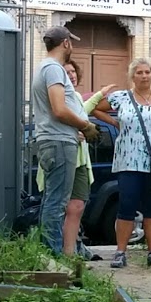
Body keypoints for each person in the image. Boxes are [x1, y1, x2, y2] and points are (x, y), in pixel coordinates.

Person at [29, 25, 99, 258]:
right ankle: (53, 256)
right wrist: (85, 125)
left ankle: (48, 254)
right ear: (66, 43)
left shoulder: (45, 67)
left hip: (54, 141)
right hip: (59, 141)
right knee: (57, 204)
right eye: (72, 42)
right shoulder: (54, 69)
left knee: (53, 200)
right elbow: (59, 109)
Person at [105, 59, 151, 269]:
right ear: (132, 76)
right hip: (128, 162)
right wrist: (114, 122)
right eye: (139, 72)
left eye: (147, 72)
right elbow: (94, 108)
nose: (144, 76)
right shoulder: (121, 98)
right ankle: (120, 252)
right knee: (126, 206)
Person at [35, 60, 114, 258]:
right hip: (61, 149)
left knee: (77, 206)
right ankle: (52, 252)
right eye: (66, 72)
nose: (70, 75)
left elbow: (83, 111)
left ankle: (70, 254)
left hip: (80, 158)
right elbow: (62, 114)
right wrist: (79, 129)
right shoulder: (56, 91)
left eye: (73, 72)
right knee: (58, 203)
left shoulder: (75, 96)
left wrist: (100, 94)